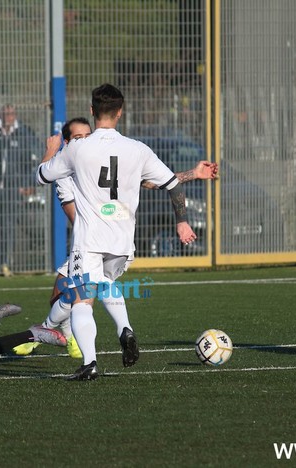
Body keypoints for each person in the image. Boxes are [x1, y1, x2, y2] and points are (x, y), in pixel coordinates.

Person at [14, 117, 218, 358]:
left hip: (94, 242)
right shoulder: (66, 174)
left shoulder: (92, 158)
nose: (84, 141)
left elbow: (150, 182)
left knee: (80, 297)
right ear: (67, 143)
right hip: (106, 239)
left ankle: (59, 339)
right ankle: (65, 334)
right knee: (65, 295)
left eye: (87, 136)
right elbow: (71, 210)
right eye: (78, 138)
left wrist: (192, 174)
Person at [37, 84, 197, 380]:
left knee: (82, 298)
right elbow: (172, 183)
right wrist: (182, 221)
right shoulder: (138, 149)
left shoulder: (77, 148)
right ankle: (125, 329)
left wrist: (49, 153)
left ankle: (89, 363)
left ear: (91, 110)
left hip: (90, 239)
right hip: (122, 241)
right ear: (120, 112)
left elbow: (43, 175)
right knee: (105, 286)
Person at [0, 104, 40, 277]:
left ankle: (4, 263)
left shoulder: (22, 135)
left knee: (7, 226)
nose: (9, 117)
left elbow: (29, 163)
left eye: (11, 114)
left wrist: (26, 184)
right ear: (1, 115)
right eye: (6, 114)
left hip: (12, 189)